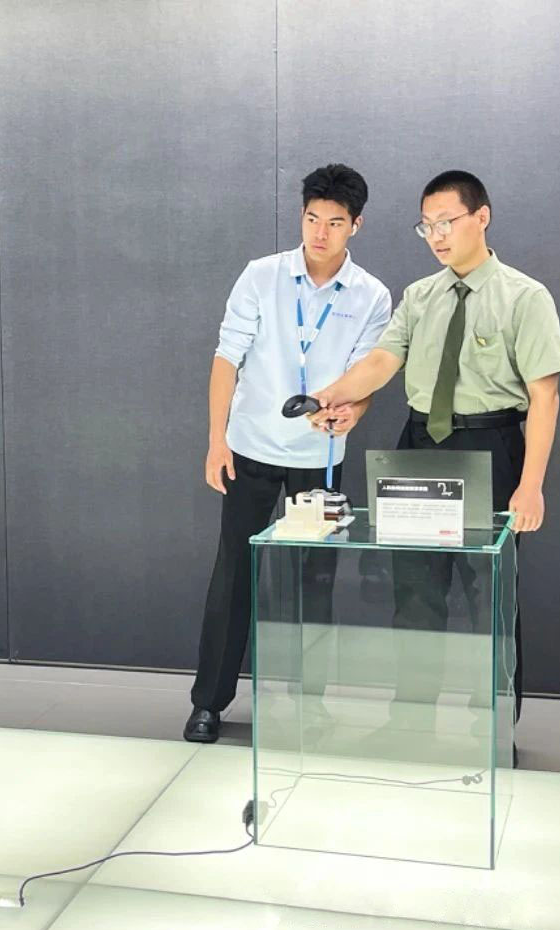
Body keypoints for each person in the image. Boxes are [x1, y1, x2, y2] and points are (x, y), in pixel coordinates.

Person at [310, 169, 560, 730]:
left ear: (482, 217)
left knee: (489, 596)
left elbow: (545, 397)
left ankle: (493, 727)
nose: (437, 236)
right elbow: (381, 362)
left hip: (490, 447)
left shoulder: (525, 297)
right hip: (419, 446)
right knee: (414, 590)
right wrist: (330, 395)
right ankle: (410, 720)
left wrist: (531, 485)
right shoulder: (419, 296)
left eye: (447, 222)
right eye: (426, 226)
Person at [185, 163, 392, 743]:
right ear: (301, 216)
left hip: (320, 456)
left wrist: (355, 411)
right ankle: (208, 703)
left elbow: (367, 376)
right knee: (233, 574)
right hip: (249, 447)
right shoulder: (262, 276)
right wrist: (216, 439)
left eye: (335, 222)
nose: (320, 233)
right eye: (311, 218)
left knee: (314, 582)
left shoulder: (372, 295)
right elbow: (227, 357)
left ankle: (306, 705)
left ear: (356, 225)